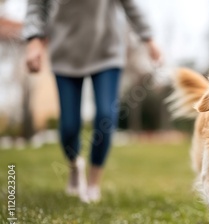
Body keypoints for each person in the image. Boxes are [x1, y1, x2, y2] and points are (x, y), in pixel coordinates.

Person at [23, 0, 162, 203]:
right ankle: (74, 165)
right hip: (65, 53)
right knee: (69, 126)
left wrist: (149, 39)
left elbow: (130, 5)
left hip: (107, 51)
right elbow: (37, 5)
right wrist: (34, 39)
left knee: (106, 115)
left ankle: (93, 183)